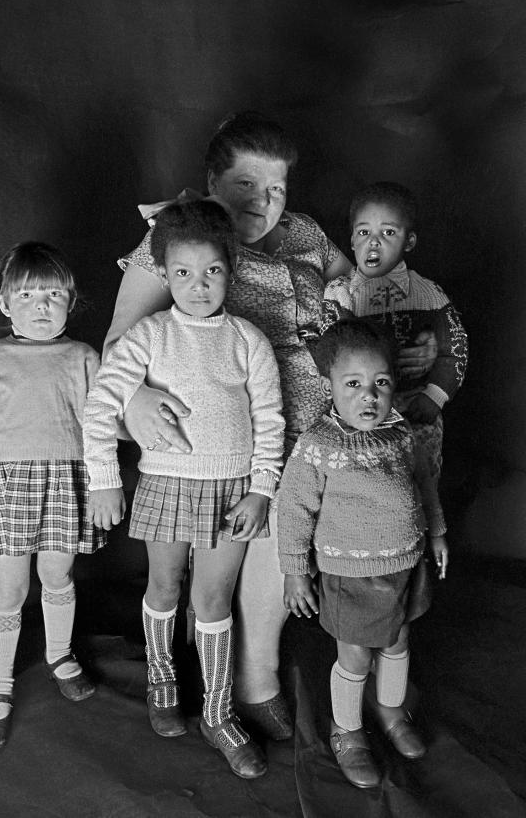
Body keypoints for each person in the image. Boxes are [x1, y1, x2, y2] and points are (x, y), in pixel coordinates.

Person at [103, 112, 436, 742]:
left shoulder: (306, 235)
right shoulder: (181, 237)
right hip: (225, 440)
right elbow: (120, 346)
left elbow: (370, 287)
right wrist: (135, 403)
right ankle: (206, 678)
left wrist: (413, 341)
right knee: (216, 562)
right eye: (247, 185)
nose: (264, 203)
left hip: (319, 436)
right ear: (211, 182)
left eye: (277, 189)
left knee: (297, 545)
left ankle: (258, 677)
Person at [83, 200, 284, 779]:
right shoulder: (148, 336)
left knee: (213, 601)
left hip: (234, 489)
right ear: (165, 273)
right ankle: (162, 675)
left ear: (231, 270)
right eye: (183, 274)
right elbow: (101, 404)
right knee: (166, 583)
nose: (199, 286)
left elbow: (269, 420)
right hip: (168, 484)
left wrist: (262, 491)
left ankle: (218, 713)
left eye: (213, 271)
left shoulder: (248, 341)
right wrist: (102, 479)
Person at [277, 320, 449, 789]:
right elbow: (292, 510)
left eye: (381, 384)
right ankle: (347, 730)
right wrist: (295, 572)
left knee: (396, 642)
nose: (368, 396)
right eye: (353, 384)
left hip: (405, 564)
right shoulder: (318, 447)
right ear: (329, 385)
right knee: (354, 656)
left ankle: (390, 707)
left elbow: (424, 484)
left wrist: (436, 534)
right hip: (349, 573)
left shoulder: (401, 435)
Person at [0, 242, 104, 752]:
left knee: (57, 575)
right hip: (3, 485)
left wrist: (106, 479)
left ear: (71, 300)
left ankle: (60, 653)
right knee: (9, 592)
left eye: (54, 294)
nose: (42, 306)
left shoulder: (83, 357)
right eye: (29, 294)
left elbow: (102, 425)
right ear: (5, 304)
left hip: (66, 482)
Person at [322, 181, 468, 482]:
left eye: (388, 233)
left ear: (409, 241)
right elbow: (330, 353)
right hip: (358, 406)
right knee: (360, 482)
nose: (373, 243)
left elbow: (456, 348)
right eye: (364, 233)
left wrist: (434, 396)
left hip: (415, 407)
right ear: (351, 240)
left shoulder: (429, 294)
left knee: (418, 483)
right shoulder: (340, 294)